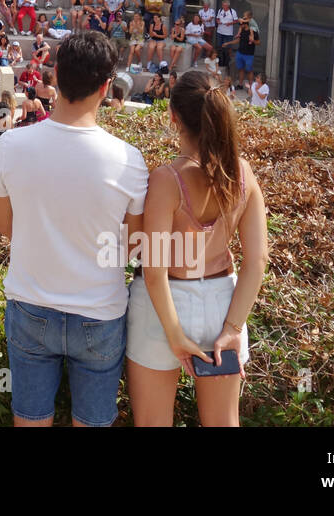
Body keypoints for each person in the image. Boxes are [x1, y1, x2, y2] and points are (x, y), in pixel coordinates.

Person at [0, 31, 149, 427]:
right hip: (100, 313)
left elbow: (5, 229)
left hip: (30, 307)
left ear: (54, 75)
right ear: (107, 86)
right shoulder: (129, 160)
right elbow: (131, 246)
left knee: (29, 419)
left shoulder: (10, 145)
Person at [126, 70, 269, 427]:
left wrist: (175, 335)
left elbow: (155, 270)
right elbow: (258, 260)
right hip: (223, 302)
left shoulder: (166, 179)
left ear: (173, 116)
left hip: (162, 312)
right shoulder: (243, 174)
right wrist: (234, 327)